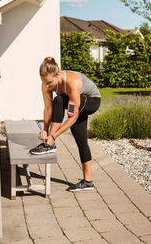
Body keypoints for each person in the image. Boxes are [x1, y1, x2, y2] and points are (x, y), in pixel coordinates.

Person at [29, 57, 101, 192]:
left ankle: (51, 142)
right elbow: (48, 109)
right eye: (44, 83)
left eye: (50, 83)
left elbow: (72, 117)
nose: (47, 86)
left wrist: (54, 136)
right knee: (59, 102)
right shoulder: (46, 84)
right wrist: (45, 130)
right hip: (74, 100)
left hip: (91, 100)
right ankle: (88, 182)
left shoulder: (72, 83)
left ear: (57, 75)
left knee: (60, 102)